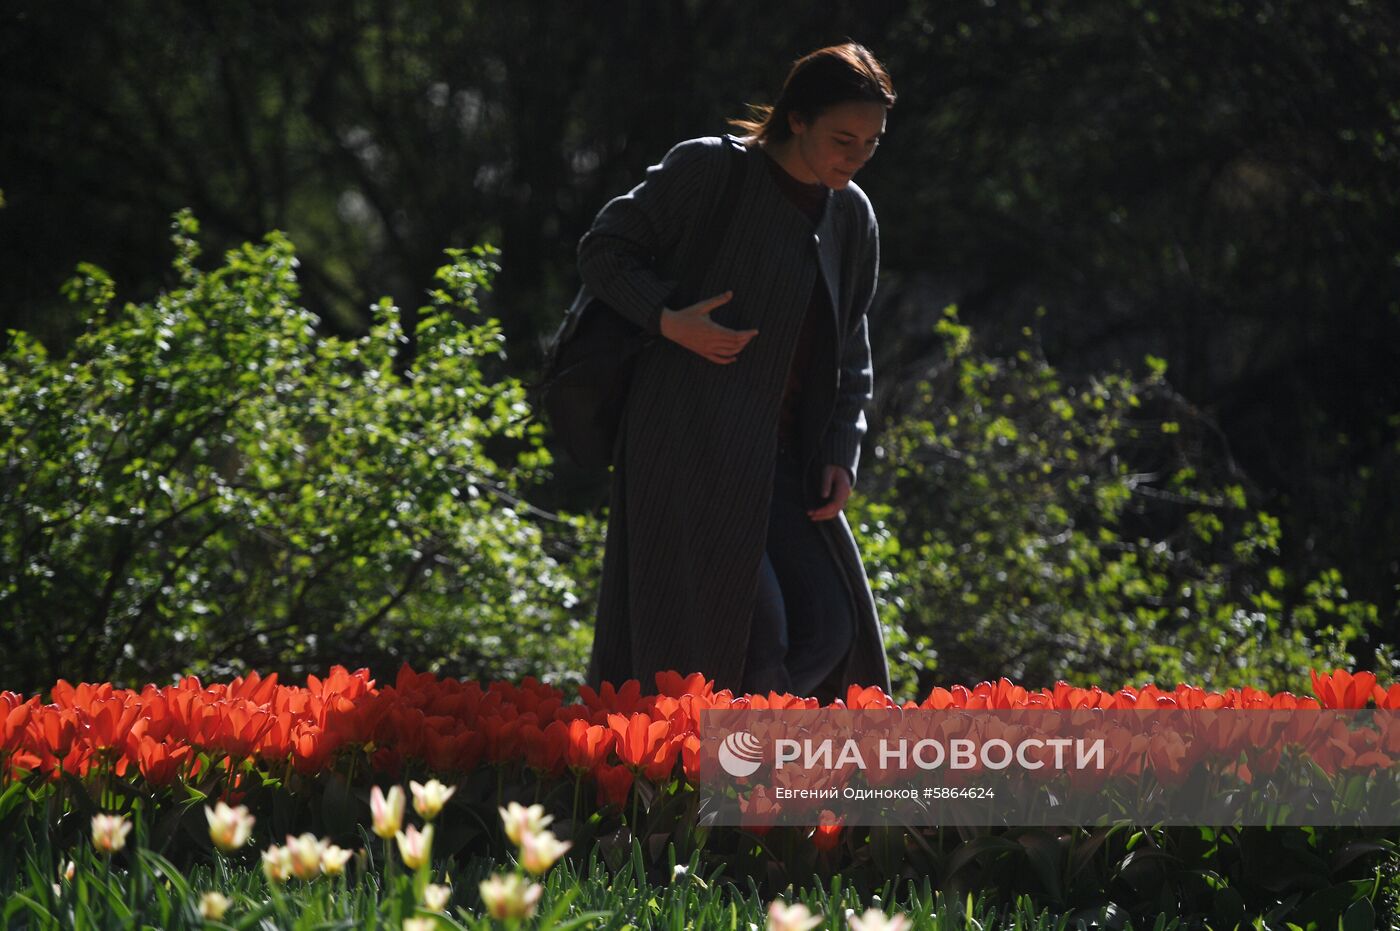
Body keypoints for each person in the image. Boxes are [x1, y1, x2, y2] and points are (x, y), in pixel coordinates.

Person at [579, 43, 895, 702]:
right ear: (797, 118)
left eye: (872, 142)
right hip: (683, 445)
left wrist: (842, 446)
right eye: (844, 138)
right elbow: (603, 251)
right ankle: (734, 783)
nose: (858, 155)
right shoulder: (709, 170)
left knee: (831, 629)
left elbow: (851, 345)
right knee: (755, 632)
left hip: (785, 462)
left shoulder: (853, 215)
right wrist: (670, 320)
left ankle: (742, 756)